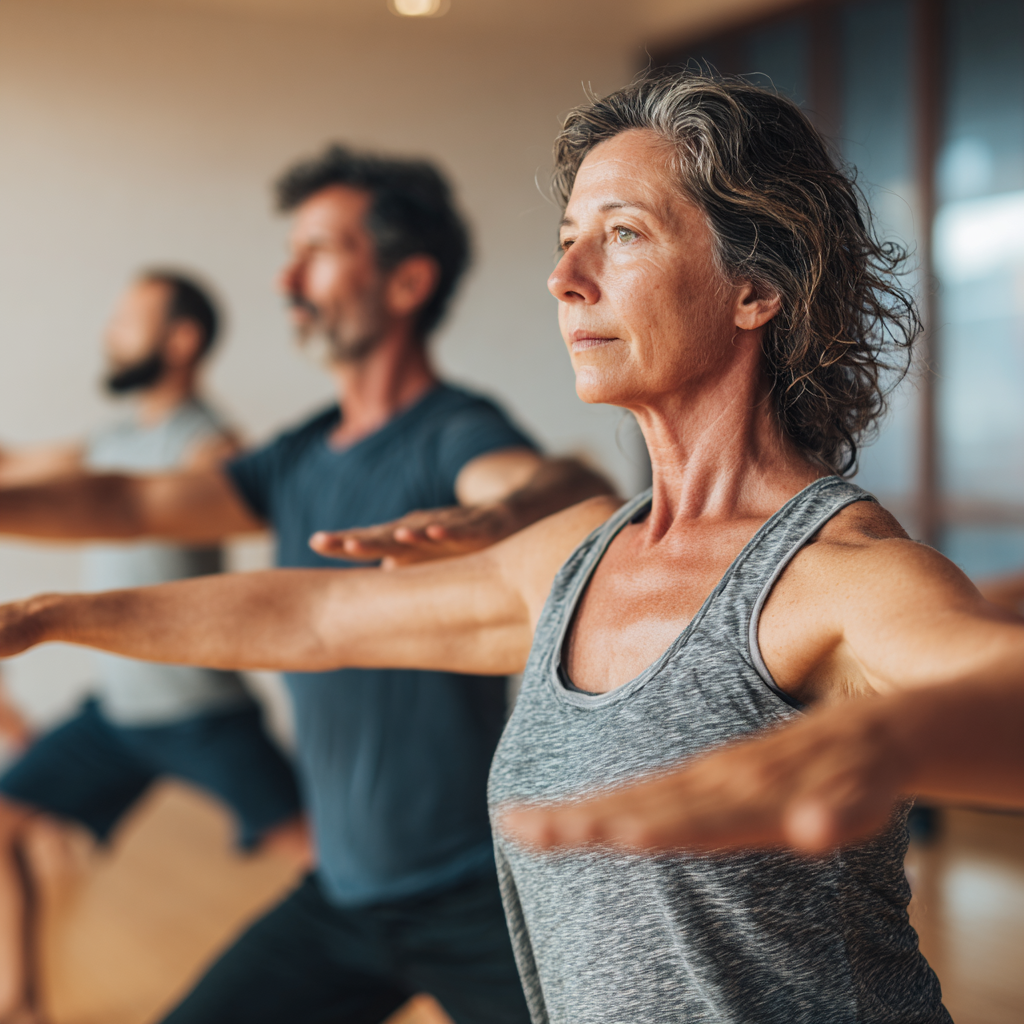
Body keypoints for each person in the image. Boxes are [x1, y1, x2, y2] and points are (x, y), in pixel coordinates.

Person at [2, 73, 1022, 1023]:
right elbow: (310, 615)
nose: (563, 278)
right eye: (568, 236)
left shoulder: (834, 575)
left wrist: (880, 741)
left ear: (756, 289)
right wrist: (51, 618)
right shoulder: (575, 561)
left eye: (621, 236)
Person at [0, 147, 613, 1024]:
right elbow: (128, 497)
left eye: (321, 250)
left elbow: (551, 481)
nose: (289, 277)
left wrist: (496, 517)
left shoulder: (452, 432)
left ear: (407, 283)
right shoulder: (294, 456)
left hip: (471, 895)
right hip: (340, 900)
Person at [0, 271, 307, 1024]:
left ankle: (423, 958)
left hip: (201, 712)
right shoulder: (114, 438)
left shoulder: (210, 445)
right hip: (118, 713)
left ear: (181, 340)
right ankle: (20, 1004)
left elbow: (259, 502)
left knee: (326, 854)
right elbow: (15, 468)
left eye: (128, 320)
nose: (111, 334)